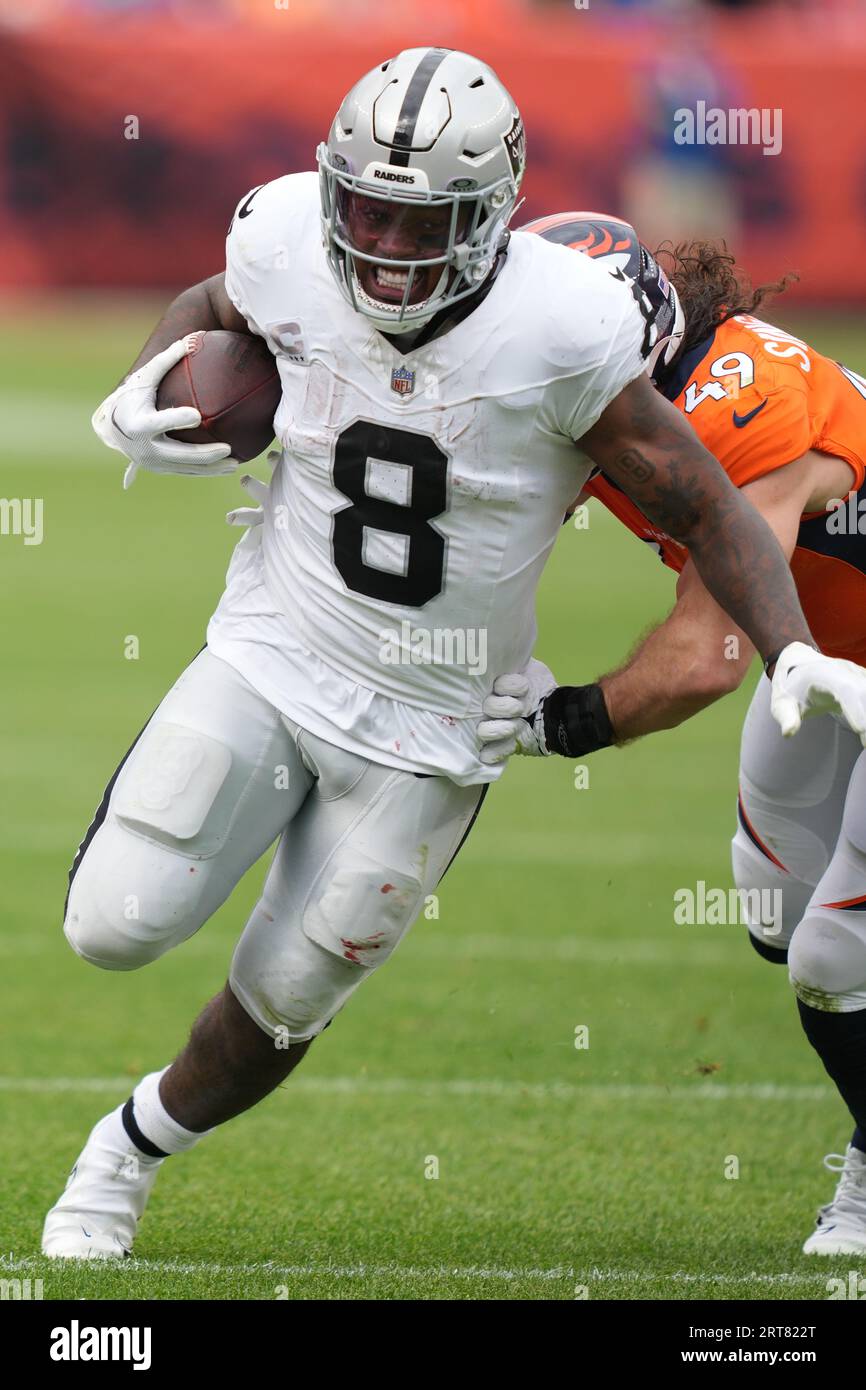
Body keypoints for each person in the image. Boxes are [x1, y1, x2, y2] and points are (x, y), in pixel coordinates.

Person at [43, 51, 848, 1260]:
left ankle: (126, 1150)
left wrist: (768, 653)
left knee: (293, 990)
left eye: (418, 219)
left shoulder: (567, 330)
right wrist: (146, 385)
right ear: (326, 191)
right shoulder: (278, 241)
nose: (381, 243)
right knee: (114, 921)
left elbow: (707, 517)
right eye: (362, 207)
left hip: (432, 721)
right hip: (274, 649)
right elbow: (216, 309)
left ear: (489, 216)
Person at [478, 211, 866, 1255]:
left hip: (828, 659)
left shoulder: (738, 407)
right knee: (775, 908)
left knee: (834, 956)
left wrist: (556, 723)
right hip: (834, 663)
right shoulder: (628, 386)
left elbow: (707, 654)